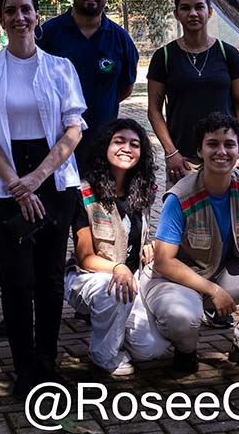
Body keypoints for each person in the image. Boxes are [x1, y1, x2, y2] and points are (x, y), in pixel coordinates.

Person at [0, 0, 87, 398]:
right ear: (0, 19)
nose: (20, 17)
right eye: (11, 11)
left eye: (26, 10)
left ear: (38, 16)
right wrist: (16, 183)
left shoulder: (60, 67)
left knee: (50, 279)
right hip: (4, 181)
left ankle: (47, 363)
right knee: (16, 279)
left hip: (53, 180)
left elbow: (74, 129)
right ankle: (24, 369)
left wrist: (37, 177)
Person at [141, 113, 239, 374]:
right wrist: (213, 290)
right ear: (200, 151)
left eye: (229, 144)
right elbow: (164, 261)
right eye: (213, 144)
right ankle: (186, 351)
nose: (221, 151)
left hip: (220, 273)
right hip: (176, 280)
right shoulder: (180, 196)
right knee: (182, 318)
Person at [64, 118, 170, 377]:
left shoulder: (143, 190)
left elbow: (134, 235)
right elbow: (85, 256)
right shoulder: (84, 192)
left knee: (151, 349)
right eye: (119, 141)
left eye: (134, 144)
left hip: (131, 279)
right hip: (90, 278)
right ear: (105, 148)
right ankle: (104, 355)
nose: (127, 148)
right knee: (114, 290)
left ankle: (113, 327)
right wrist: (117, 268)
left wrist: (149, 246)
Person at [148, 0, 239, 186]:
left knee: (229, 216)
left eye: (199, 7)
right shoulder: (164, 57)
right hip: (184, 161)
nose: (193, 13)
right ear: (177, 14)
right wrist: (171, 153)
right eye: (185, 8)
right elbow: (154, 110)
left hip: (225, 154)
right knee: (186, 217)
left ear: (210, 12)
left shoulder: (228, 54)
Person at [37, 0, 138, 173]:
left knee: (101, 205)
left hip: (103, 145)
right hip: (56, 144)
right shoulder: (48, 35)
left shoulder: (120, 39)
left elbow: (125, 88)